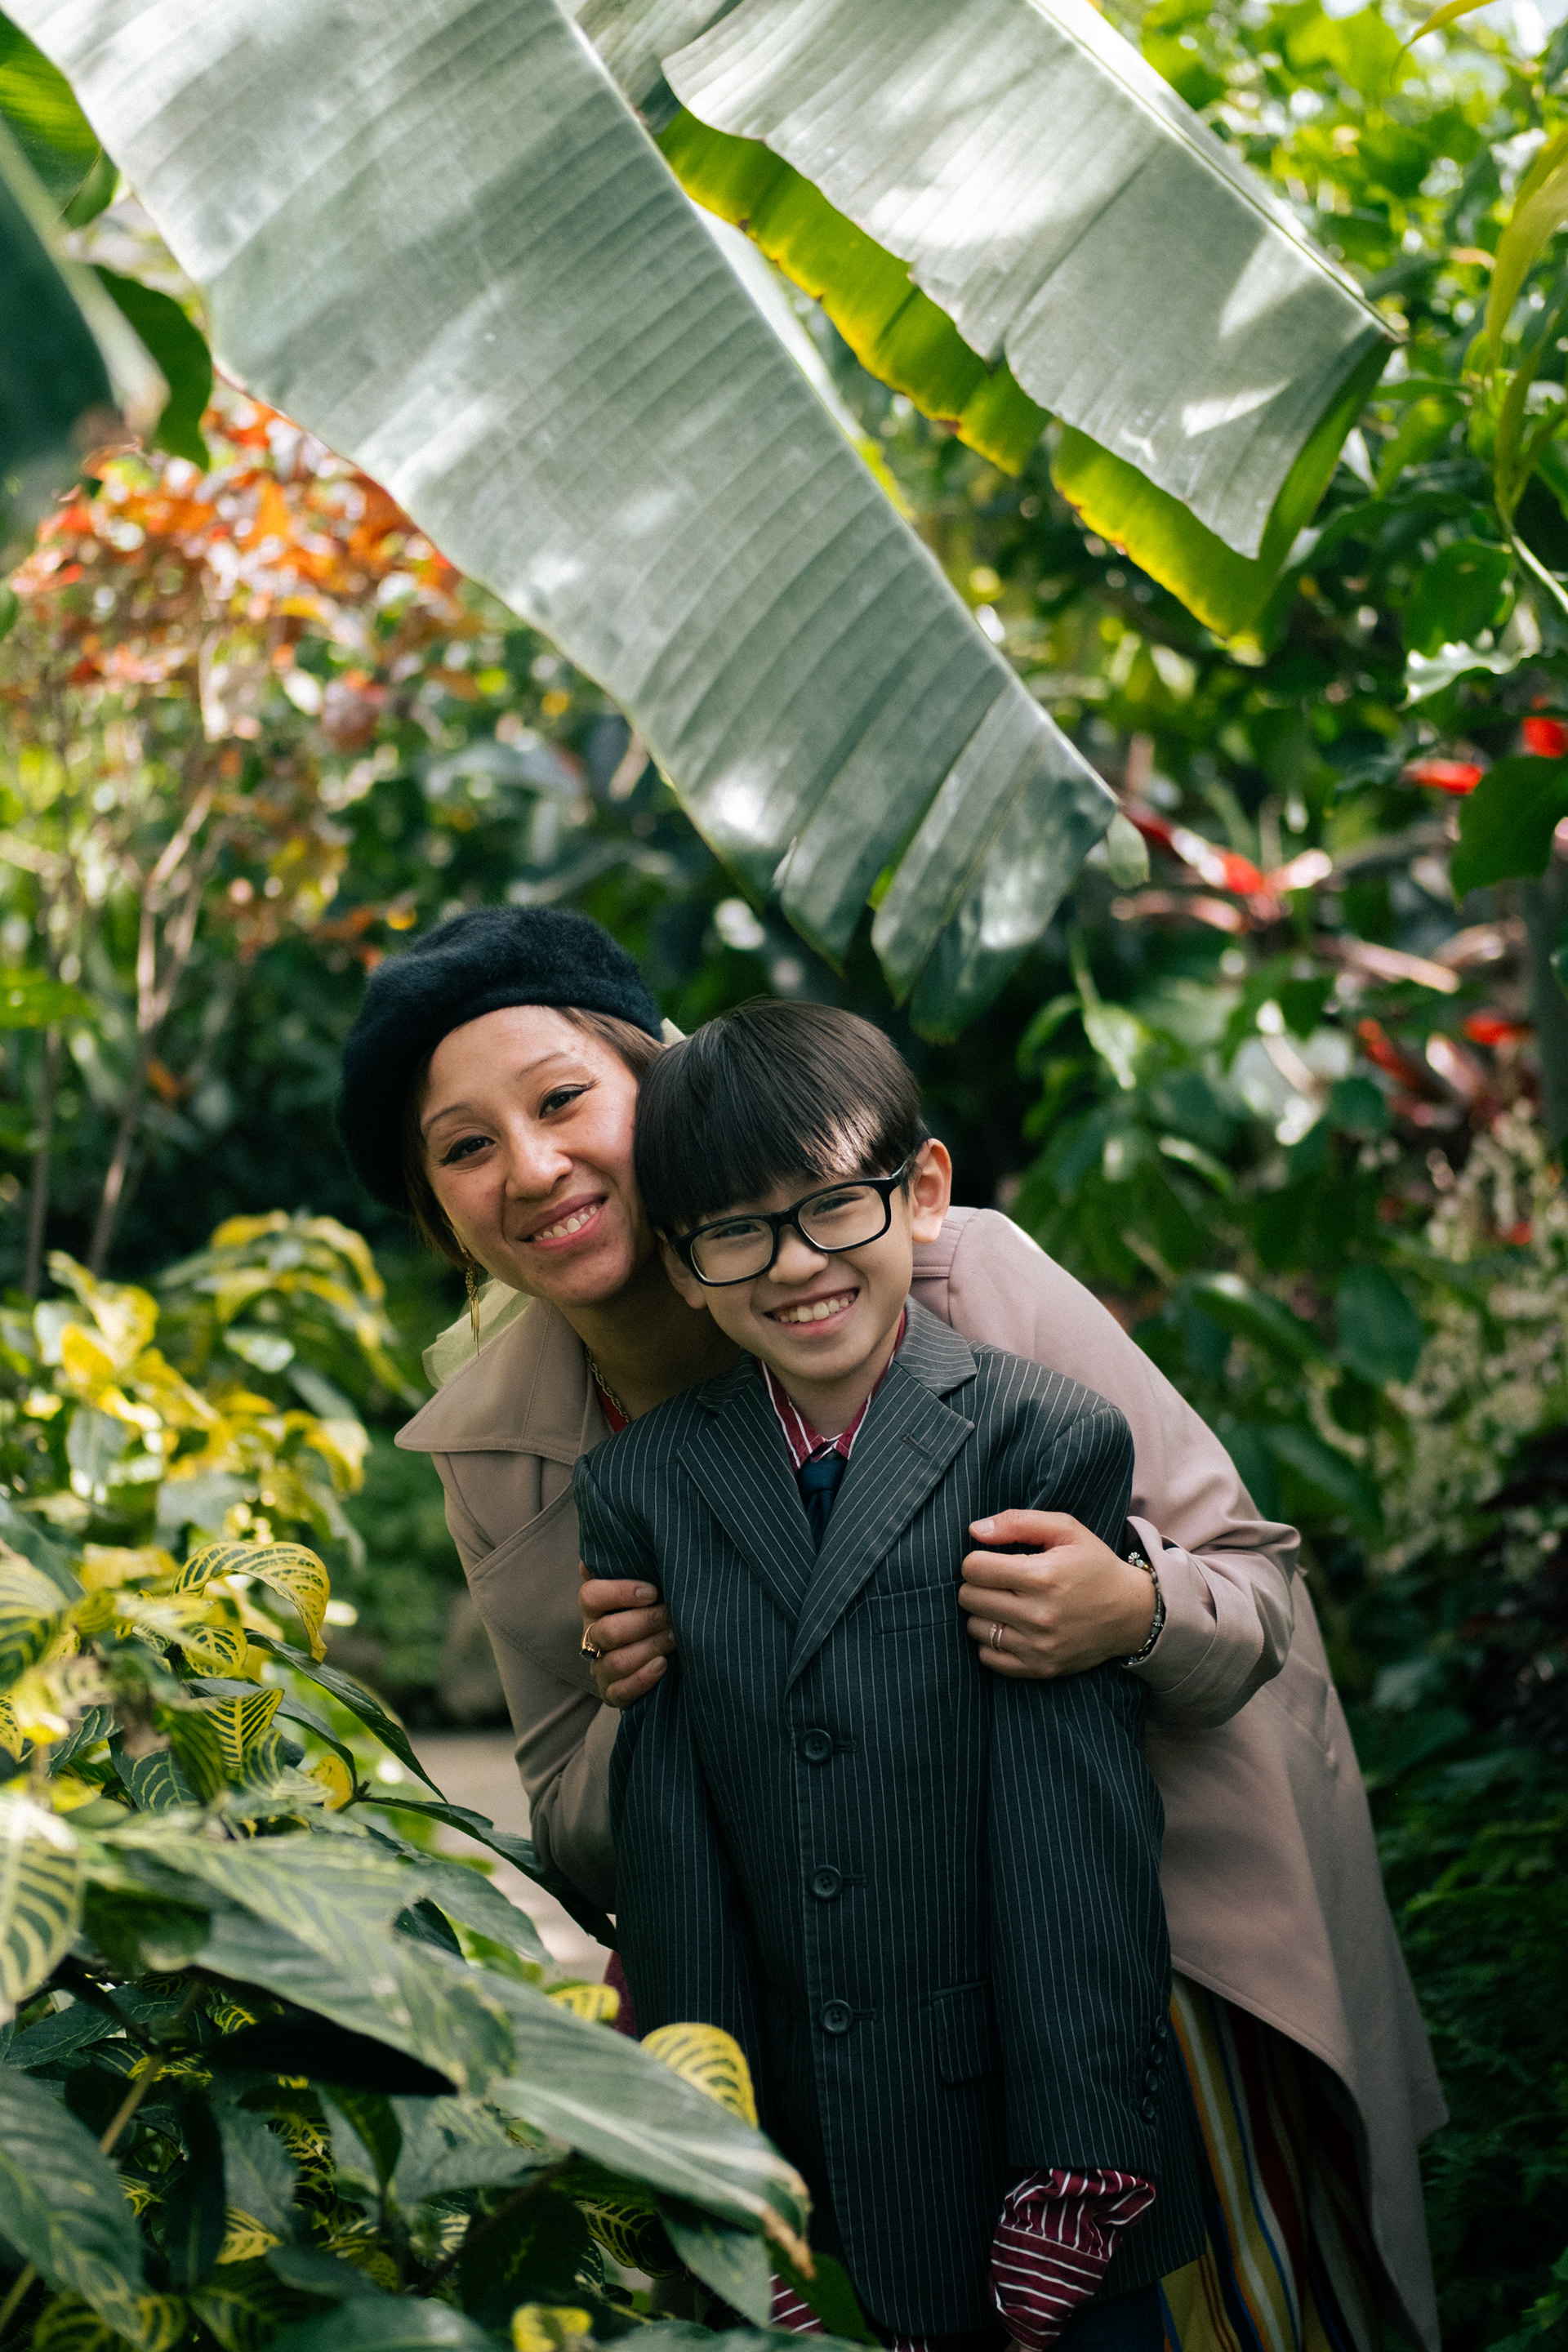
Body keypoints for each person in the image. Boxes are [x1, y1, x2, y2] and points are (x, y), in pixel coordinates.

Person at [335, 904, 1445, 2352]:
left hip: (1127, 1949)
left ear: (659, 1086)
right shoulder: (507, 1446)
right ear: (438, 1214)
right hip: (837, 2023)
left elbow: (1254, 1586)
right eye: (465, 1148)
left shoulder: (944, 1272)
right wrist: (642, 1694)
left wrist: (1130, 1603)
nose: (532, 1169)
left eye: (562, 1101)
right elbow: (580, 1832)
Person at [577, 1000, 1205, 2349]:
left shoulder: (1040, 1438)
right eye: (735, 1231)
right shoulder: (641, 1489)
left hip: (1026, 2133)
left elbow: (1073, 1829)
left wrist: (1080, 2155)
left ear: (919, 1192)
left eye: (831, 1207)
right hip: (812, 2151)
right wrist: (716, 2176)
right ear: (683, 1267)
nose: (795, 1263)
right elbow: (675, 1858)